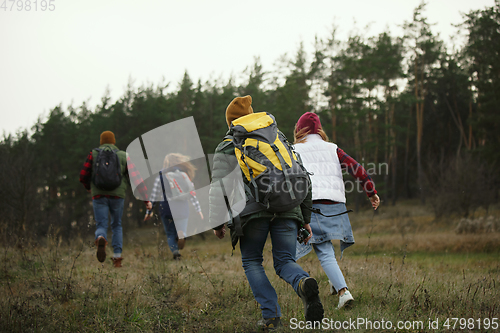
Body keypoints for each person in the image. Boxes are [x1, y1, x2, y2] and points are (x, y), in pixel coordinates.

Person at [209, 96, 324, 331]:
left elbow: (219, 186)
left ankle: (271, 317)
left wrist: (217, 222)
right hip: (287, 208)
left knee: (252, 261)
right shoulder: (277, 137)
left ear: (231, 122)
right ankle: (303, 283)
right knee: (284, 261)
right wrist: (305, 218)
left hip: (252, 214)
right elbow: (302, 176)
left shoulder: (229, 143)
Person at [293, 112, 380, 309]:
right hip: (336, 205)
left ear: (299, 130)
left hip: (311, 205)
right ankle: (334, 283)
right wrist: (371, 192)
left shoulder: (294, 150)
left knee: (323, 250)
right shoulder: (333, 148)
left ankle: (343, 292)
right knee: (326, 247)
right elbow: (356, 168)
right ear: (319, 130)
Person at [80, 130, 152, 268]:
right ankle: (117, 258)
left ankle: (101, 238)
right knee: (117, 225)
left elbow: (83, 175)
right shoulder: (123, 155)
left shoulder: (93, 154)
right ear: (114, 142)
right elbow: (136, 179)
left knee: (101, 224)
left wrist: (89, 187)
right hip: (117, 195)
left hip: (98, 195)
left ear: (101, 141)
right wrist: (146, 200)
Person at [145, 153, 203, 260]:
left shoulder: (161, 176)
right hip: (182, 207)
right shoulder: (184, 175)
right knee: (181, 229)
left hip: (166, 207)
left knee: (170, 232)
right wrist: (198, 209)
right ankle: (182, 234)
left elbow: (154, 196)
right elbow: (192, 193)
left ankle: (176, 253)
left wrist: (149, 212)